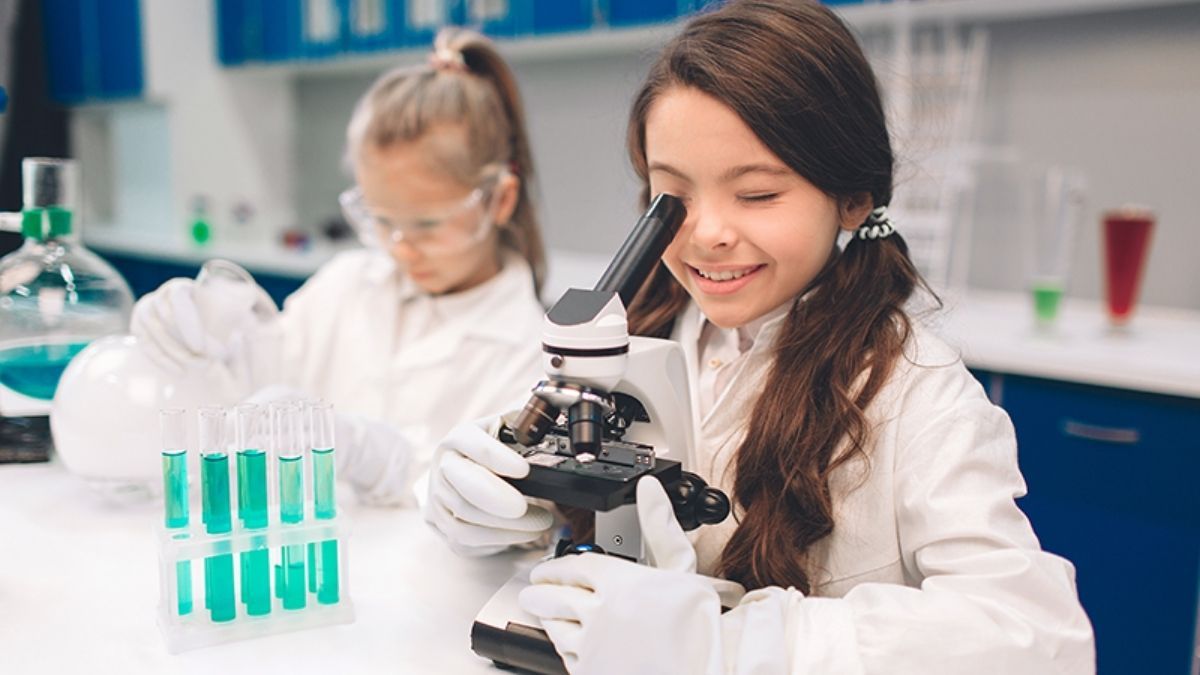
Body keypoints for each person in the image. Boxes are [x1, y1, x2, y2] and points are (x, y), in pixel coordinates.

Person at [422, 1, 1096, 672]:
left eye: (758, 194)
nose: (709, 231)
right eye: (674, 197)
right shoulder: (646, 332)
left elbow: (1039, 638)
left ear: (853, 197)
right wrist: (498, 503)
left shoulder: (916, 389)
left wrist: (745, 644)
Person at [131, 28, 547, 505]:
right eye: (381, 220)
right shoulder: (345, 284)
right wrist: (199, 340)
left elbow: (500, 514)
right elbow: (253, 381)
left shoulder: (528, 352)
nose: (400, 247)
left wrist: (374, 458)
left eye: (427, 225)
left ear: (500, 200)